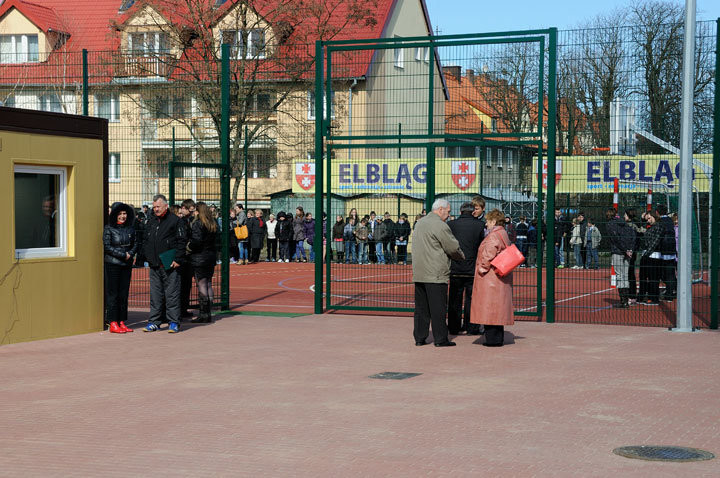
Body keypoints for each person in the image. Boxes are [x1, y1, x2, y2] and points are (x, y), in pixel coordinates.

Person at [412, 199, 464, 347]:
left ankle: (419, 338)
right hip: (435, 273)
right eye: (447, 211)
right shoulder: (440, 226)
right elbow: (452, 247)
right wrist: (462, 257)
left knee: (421, 308)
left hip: (420, 271)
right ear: (440, 209)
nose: (448, 215)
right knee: (438, 308)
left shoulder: (420, 223)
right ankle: (440, 338)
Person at [470, 209, 514, 347]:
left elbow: (488, 255)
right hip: (500, 276)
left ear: (493, 221)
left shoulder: (493, 236)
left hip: (490, 279)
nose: (486, 224)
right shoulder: (503, 233)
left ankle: (492, 339)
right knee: (498, 309)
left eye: (488, 221)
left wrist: (482, 269)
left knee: (489, 309)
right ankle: (497, 337)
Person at [143, 194, 186, 333]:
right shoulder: (151, 221)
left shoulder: (175, 221)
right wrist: (147, 256)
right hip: (154, 264)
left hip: (169, 263)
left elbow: (182, 241)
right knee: (155, 295)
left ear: (165, 206)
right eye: (154, 207)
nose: (156, 209)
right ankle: (154, 321)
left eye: (158, 207)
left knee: (171, 294)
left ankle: (173, 322)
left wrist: (178, 259)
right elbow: (146, 239)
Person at [448, 202, 485, 336]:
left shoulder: (451, 225)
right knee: (472, 300)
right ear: (472, 211)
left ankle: (453, 327)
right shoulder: (480, 225)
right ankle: (471, 327)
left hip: (455, 268)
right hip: (472, 268)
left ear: (461, 211)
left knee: (454, 300)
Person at [103, 202, 139, 334]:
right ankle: (112, 322)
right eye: (120, 214)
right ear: (115, 215)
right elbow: (107, 246)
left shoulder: (130, 228)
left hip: (126, 265)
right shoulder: (109, 228)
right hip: (113, 264)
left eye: (124, 214)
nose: (123, 216)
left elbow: (136, 243)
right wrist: (123, 254)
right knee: (113, 294)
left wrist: (130, 254)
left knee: (124, 294)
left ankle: (122, 321)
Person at [188, 202, 217, 323]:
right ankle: (208, 311)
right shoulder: (213, 223)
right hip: (210, 256)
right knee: (208, 283)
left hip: (200, 257)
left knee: (201, 284)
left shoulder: (198, 223)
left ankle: (204, 313)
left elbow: (197, 241)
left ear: (199, 211)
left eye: (195, 210)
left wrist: (189, 247)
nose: (193, 213)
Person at [606, 208, 636, 308]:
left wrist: (624, 249)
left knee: (619, 275)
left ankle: (623, 301)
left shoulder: (610, 224)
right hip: (627, 252)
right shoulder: (623, 223)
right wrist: (630, 249)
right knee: (625, 275)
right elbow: (632, 235)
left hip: (618, 251)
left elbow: (615, 239)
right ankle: (625, 300)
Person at [639, 211, 662, 306]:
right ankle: (643, 295)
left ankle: (654, 298)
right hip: (646, 254)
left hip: (653, 256)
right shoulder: (649, 227)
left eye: (649, 218)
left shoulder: (659, 227)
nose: (647, 221)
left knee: (653, 278)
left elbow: (655, 243)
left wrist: (646, 254)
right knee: (643, 276)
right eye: (646, 219)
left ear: (654, 217)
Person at [179, 199, 196, 319]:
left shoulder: (187, 221)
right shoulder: (187, 221)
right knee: (184, 285)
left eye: (183, 208)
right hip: (187, 256)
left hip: (187, 256)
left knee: (185, 284)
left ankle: (182, 309)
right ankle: (182, 309)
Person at [656, 204, 677, 300]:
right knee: (670, 273)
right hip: (672, 250)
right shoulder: (670, 221)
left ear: (657, 212)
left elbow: (659, 235)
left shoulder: (660, 222)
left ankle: (669, 292)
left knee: (663, 273)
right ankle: (671, 291)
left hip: (664, 250)